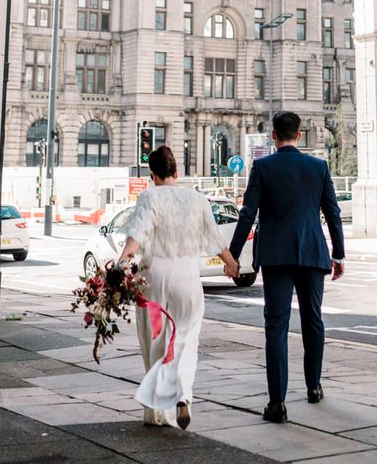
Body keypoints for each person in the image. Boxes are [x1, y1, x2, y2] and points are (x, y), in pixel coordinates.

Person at [228, 111, 345, 424]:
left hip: (277, 257)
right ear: (300, 133)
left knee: (276, 326)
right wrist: (339, 255)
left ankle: (277, 403)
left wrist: (234, 255)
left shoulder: (263, 167)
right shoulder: (318, 167)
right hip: (312, 252)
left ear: (273, 135)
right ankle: (314, 386)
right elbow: (333, 213)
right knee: (313, 320)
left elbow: (247, 213)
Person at [117, 145, 238, 430]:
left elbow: (137, 236)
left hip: (155, 277)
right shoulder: (197, 199)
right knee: (185, 340)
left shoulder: (149, 197)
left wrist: (120, 265)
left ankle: (157, 413)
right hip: (187, 277)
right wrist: (231, 264)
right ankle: (182, 395)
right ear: (176, 172)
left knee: (156, 341)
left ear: (153, 174)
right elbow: (215, 238)